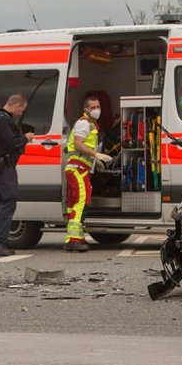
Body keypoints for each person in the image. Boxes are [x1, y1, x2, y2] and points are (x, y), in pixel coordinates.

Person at [0, 94, 34, 256]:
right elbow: (11, 143)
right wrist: (25, 138)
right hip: (4, 166)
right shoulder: (4, 120)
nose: (20, 113)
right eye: (21, 109)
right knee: (8, 201)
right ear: (16, 104)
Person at [64, 96, 112, 252]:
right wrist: (95, 155)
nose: (97, 110)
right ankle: (73, 239)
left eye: (98, 106)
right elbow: (78, 144)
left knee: (76, 204)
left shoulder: (91, 124)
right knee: (80, 202)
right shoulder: (83, 123)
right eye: (93, 107)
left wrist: (93, 160)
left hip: (81, 168)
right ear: (86, 109)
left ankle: (75, 237)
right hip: (78, 168)